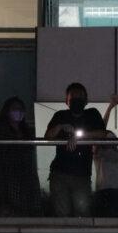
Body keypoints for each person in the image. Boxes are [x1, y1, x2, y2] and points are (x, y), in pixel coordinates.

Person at [44, 82, 105, 216]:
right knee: (61, 212)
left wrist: (80, 136)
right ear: (67, 101)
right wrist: (61, 127)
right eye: (73, 97)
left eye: (80, 96)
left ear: (86, 100)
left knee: (83, 211)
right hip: (60, 173)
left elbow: (102, 134)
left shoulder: (92, 114)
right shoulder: (60, 115)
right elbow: (47, 136)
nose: (77, 99)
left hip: (82, 174)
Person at [0, 94, 43, 217]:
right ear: (7, 111)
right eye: (14, 109)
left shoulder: (26, 132)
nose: (18, 112)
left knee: (29, 207)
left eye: (21, 109)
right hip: (7, 173)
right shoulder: (1, 129)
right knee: (10, 207)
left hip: (26, 173)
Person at [93, 94, 118, 218]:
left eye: (112, 138)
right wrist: (110, 107)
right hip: (104, 192)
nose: (109, 140)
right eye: (106, 137)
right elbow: (100, 128)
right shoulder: (98, 152)